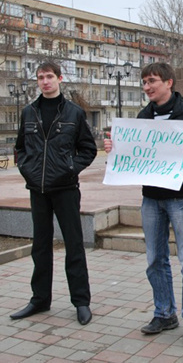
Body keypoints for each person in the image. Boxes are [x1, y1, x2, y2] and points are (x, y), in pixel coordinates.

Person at [104, 62, 183, 346]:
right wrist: (114, 149)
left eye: (152, 81)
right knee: (155, 260)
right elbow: (136, 153)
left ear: (169, 82)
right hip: (152, 199)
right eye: (144, 82)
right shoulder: (143, 117)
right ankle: (164, 313)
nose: (147, 87)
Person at [11, 60, 97, 325]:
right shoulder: (29, 112)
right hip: (37, 189)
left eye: (49, 76)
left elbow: (88, 149)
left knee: (74, 246)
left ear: (60, 79)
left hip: (66, 189)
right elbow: (20, 149)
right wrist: (28, 170)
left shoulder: (74, 113)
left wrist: (70, 169)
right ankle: (39, 300)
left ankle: (81, 302)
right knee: (40, 246)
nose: (45, 81)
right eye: (40, 77)